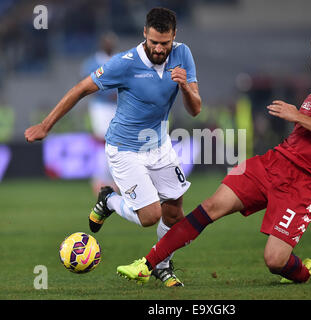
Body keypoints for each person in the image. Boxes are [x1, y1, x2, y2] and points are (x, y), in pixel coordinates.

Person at [116, 33, 311, 285]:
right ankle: (147, 264)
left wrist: (297, 116)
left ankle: (302, 271)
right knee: (211, 206)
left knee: (275, 261)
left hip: (304, 183)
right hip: (273, 164)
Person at [24, 7, 201, 287]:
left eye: (164, 43)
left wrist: (186, 88)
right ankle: (108, 199)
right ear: (144, 33)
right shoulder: (125, 63)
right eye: (153, 42)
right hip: (125, 149)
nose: (158, 48)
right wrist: (46, 125)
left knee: (174, 212)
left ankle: (162, 266)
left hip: (160, 146)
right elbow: (81, 89)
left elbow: (195, 110)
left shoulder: (183, 55)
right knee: (149, 216)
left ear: (174, 37)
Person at [81, 32, 118, 195]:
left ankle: (113, 179)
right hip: (101, 106)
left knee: (116, 142)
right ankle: (99, 178)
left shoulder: (120, 59)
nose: (109, 45)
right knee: (103, 141)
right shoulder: (92, 63)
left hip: (118, 106)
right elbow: (87, 83)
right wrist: (107, 94)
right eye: (107, 42)